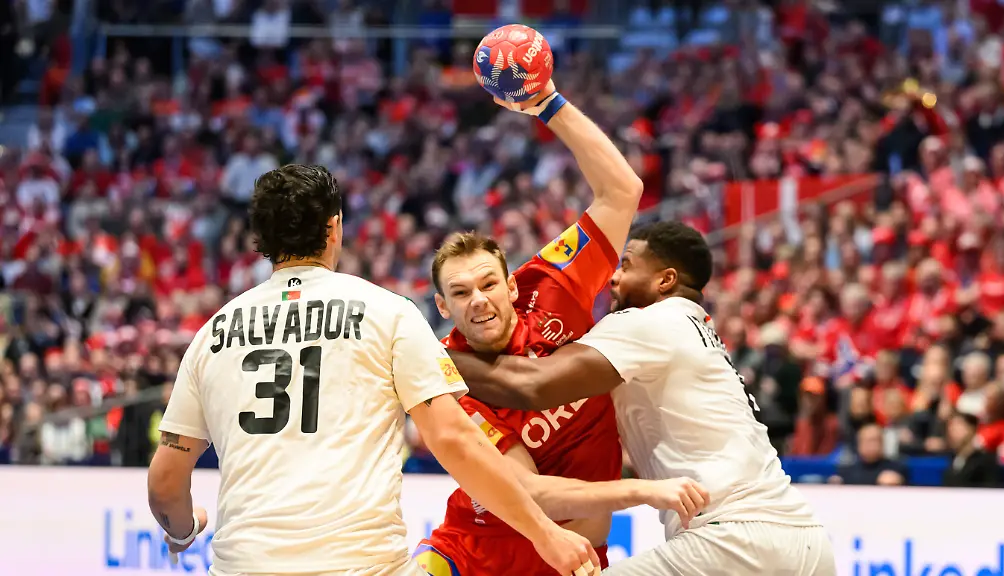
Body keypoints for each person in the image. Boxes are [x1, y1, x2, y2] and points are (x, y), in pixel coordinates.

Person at [146, 164, 601, 576]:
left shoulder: (212, 333)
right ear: (334, 227)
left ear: (260, 238)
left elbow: (165, 480)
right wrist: (545, 533)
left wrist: (184, 530)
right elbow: (456, 441)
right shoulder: (389, 312)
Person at [416, 79, 708, 575]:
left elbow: (622, 192)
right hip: (471, 551)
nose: (479, 301)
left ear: (512, 286)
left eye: (488, 284)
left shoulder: (549, 283)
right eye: (461, 294)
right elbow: (532, 494)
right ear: (443, 307)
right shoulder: (448, 377)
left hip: (572, 560)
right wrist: (646, 491)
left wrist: (548, 104)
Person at [447, 221, 836, 575]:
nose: (614, 278)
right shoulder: (697, 328)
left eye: (628, 266)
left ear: (665, 280)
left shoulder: (646, 321)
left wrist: (426, 355)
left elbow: (529, 385)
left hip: (733, 537)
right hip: (807, 540)